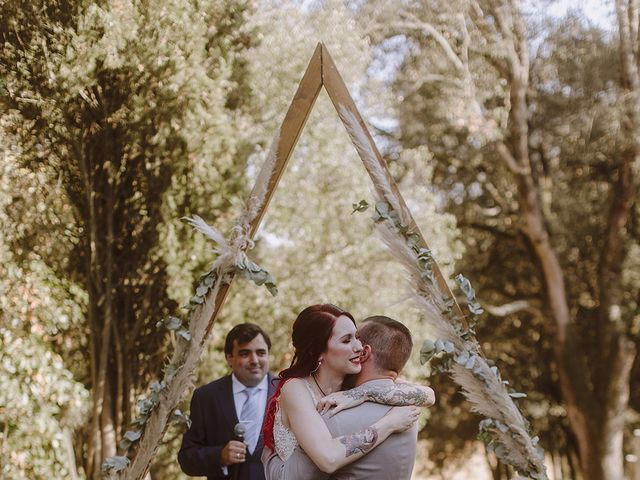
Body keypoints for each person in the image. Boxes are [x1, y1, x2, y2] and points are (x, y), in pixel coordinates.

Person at [261, 305, 435, 478]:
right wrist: (388, 424)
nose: (359, 346)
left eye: (356, 337)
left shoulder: (354, 380)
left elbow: (427, 395)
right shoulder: (296, 388)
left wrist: (359, 394)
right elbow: (327, 459)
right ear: (317, 352)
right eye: (346, 340)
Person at [178, 323, 277, 480]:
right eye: (245, 353)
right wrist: (220, 456)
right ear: (229, 358)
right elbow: (187, 458)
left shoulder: (287, 392)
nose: (255, 360)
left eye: (261, 353)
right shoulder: (206, 397)